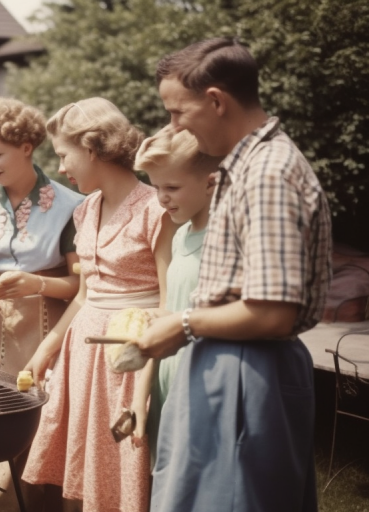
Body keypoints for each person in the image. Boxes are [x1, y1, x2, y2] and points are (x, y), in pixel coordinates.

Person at [138, 37, 331, 512]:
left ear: (216, 101)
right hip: (231, 365)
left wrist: (181, 325)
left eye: (177, 112)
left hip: (248, 371)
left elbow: (271, 314)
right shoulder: (243, 167)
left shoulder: (267, 173)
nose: (173, 125)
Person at [21, 98, 175, 512]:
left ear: (91, 147)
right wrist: (47, 348)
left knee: (125, 458)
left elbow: (169, 299)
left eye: (63, 154)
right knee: (86, 470)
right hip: (83, 352)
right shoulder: (86, 209)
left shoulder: (155, 208)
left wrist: (146, 365)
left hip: (131, 353)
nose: (61, 168)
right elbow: (86, 295)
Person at [0, 97, 84, 510]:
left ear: (26, 146)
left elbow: (82, 284)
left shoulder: (70, 205)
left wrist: (36, 284)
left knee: (45, 434)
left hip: (49, 333)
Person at [132, 125, 218, 464]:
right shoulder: (180, 237)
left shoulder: (223, 239)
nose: (162, 198)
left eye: (172, 187)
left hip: (204, 377)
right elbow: (168, 315)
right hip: (167, 379)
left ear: (211, 181)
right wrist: (141, 396)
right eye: (155, 188)